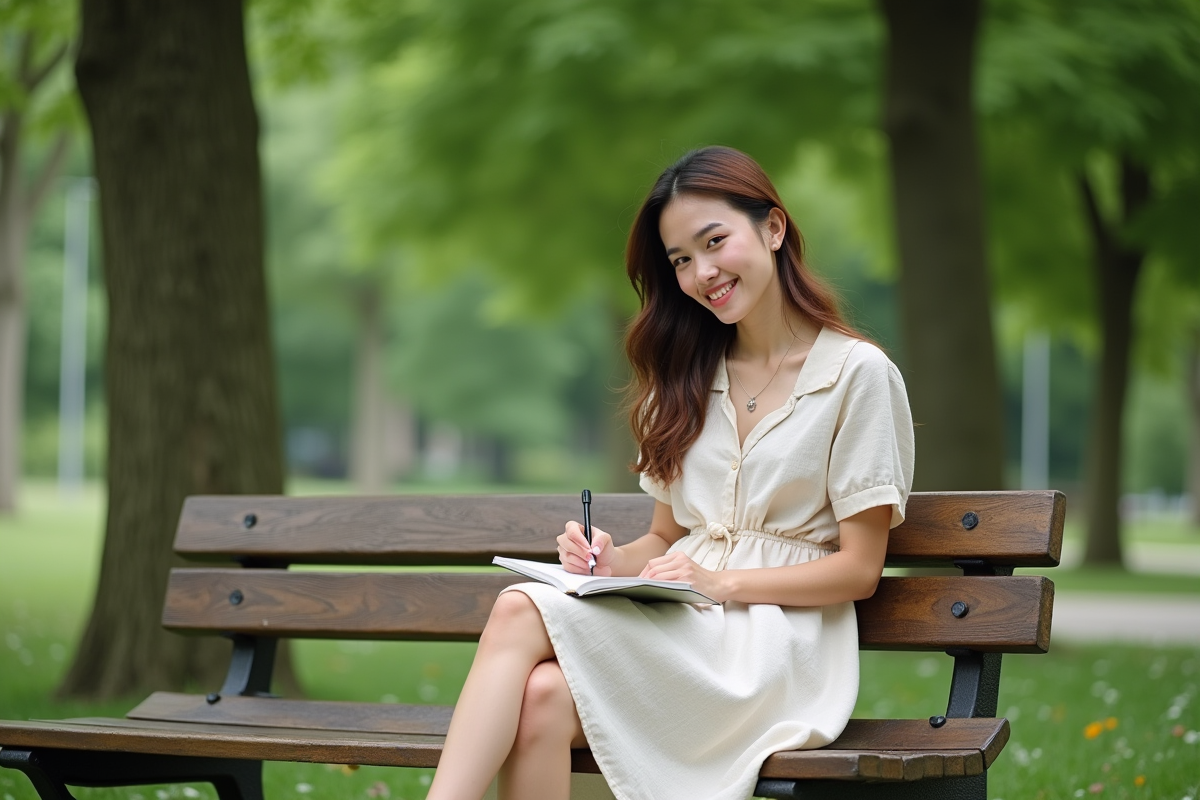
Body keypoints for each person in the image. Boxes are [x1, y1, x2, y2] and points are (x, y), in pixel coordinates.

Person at [425, 146, 915, 800]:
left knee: (518, 609)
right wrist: (605, 560)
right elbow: (663, 541)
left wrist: (719, 581)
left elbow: (859, 570)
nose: (701, 272)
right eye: (681, 260)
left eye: (714, 242)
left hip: (777, 650)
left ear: (773, 229)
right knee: (541, 695)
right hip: (686, 626)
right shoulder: (682, 380)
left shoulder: (858, 376)